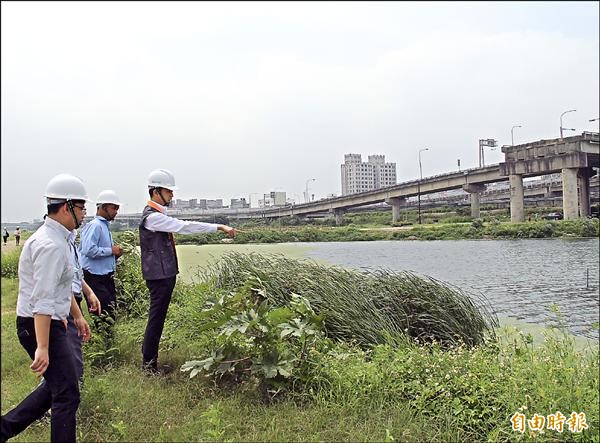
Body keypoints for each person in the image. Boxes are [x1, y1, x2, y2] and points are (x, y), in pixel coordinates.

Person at [1, 173, 92, 443]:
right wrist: (42, 345)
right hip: (37, 323)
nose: (85, 213)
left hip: (50, 321)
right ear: (67, 207)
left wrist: (75, 315)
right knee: (66, 394)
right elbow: (42, 299)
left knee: (60, 386)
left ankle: (4, 429)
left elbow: (61, 286)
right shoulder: (50, 245)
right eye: (82, 207)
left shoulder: (61, 239)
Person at [139, 169, 236, 374]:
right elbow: (185, 227)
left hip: (163, 274)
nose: (172, 195)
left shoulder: (157, 215)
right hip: (159, 276)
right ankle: (149, 366)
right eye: (169, 191)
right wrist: (219, 227)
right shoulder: (152, 218)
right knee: (156, 319)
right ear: (156, 192)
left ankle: (150, 362)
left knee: (158, 318)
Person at [79, 190, 123, 325]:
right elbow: (88, 250)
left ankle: (107, 342)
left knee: (110, 311)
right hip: (94, 277)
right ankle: (103, 342)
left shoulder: (104, 226)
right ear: (103, 207)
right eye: (114, 208)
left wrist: (115, 254)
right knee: (102, 313)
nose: (116, 211)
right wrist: (111, 250)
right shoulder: (95, 226)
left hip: (105, 277)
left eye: (117, 208)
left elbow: (100, 252)